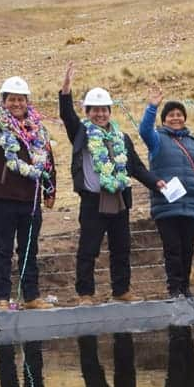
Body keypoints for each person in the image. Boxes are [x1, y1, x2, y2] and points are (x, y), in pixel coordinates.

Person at [58, 66, 161, 302]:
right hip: (93, 201)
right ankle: (85, 293)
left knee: (121, 247)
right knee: (88, 248)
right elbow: (67, 116)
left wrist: (156, 183)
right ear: (88, 112)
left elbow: (136, 167)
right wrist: (65, 91)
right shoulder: (82, 133)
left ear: (109, 111)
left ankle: (122, 290)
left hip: (120, 198)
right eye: (95, 110)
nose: (100, 114)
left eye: (104, 110)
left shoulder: (121, 137)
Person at [0, 68, 56, 310]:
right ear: (4, 101)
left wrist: (50, 190)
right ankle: (2, 297)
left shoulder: (38, 129)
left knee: (29, 249)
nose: (16, 104)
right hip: (4, 198)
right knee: (4, 249)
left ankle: (31, 296)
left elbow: (47, 160)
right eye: (12, 99)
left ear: (28, 102)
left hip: (31, 199)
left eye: (21, 99)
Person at [138, 88, 194, 299]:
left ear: (185, 118)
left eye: (179, 114)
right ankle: (174, 289)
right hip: (166, 205)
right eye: (171, 115)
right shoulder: (157, 140)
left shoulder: (193, 143)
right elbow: (144, 130)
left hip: (191, 205)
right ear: (164, 120)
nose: (176, 117)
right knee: (173, 250)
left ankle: (185, 288)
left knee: (187, 250)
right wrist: (152, 107)